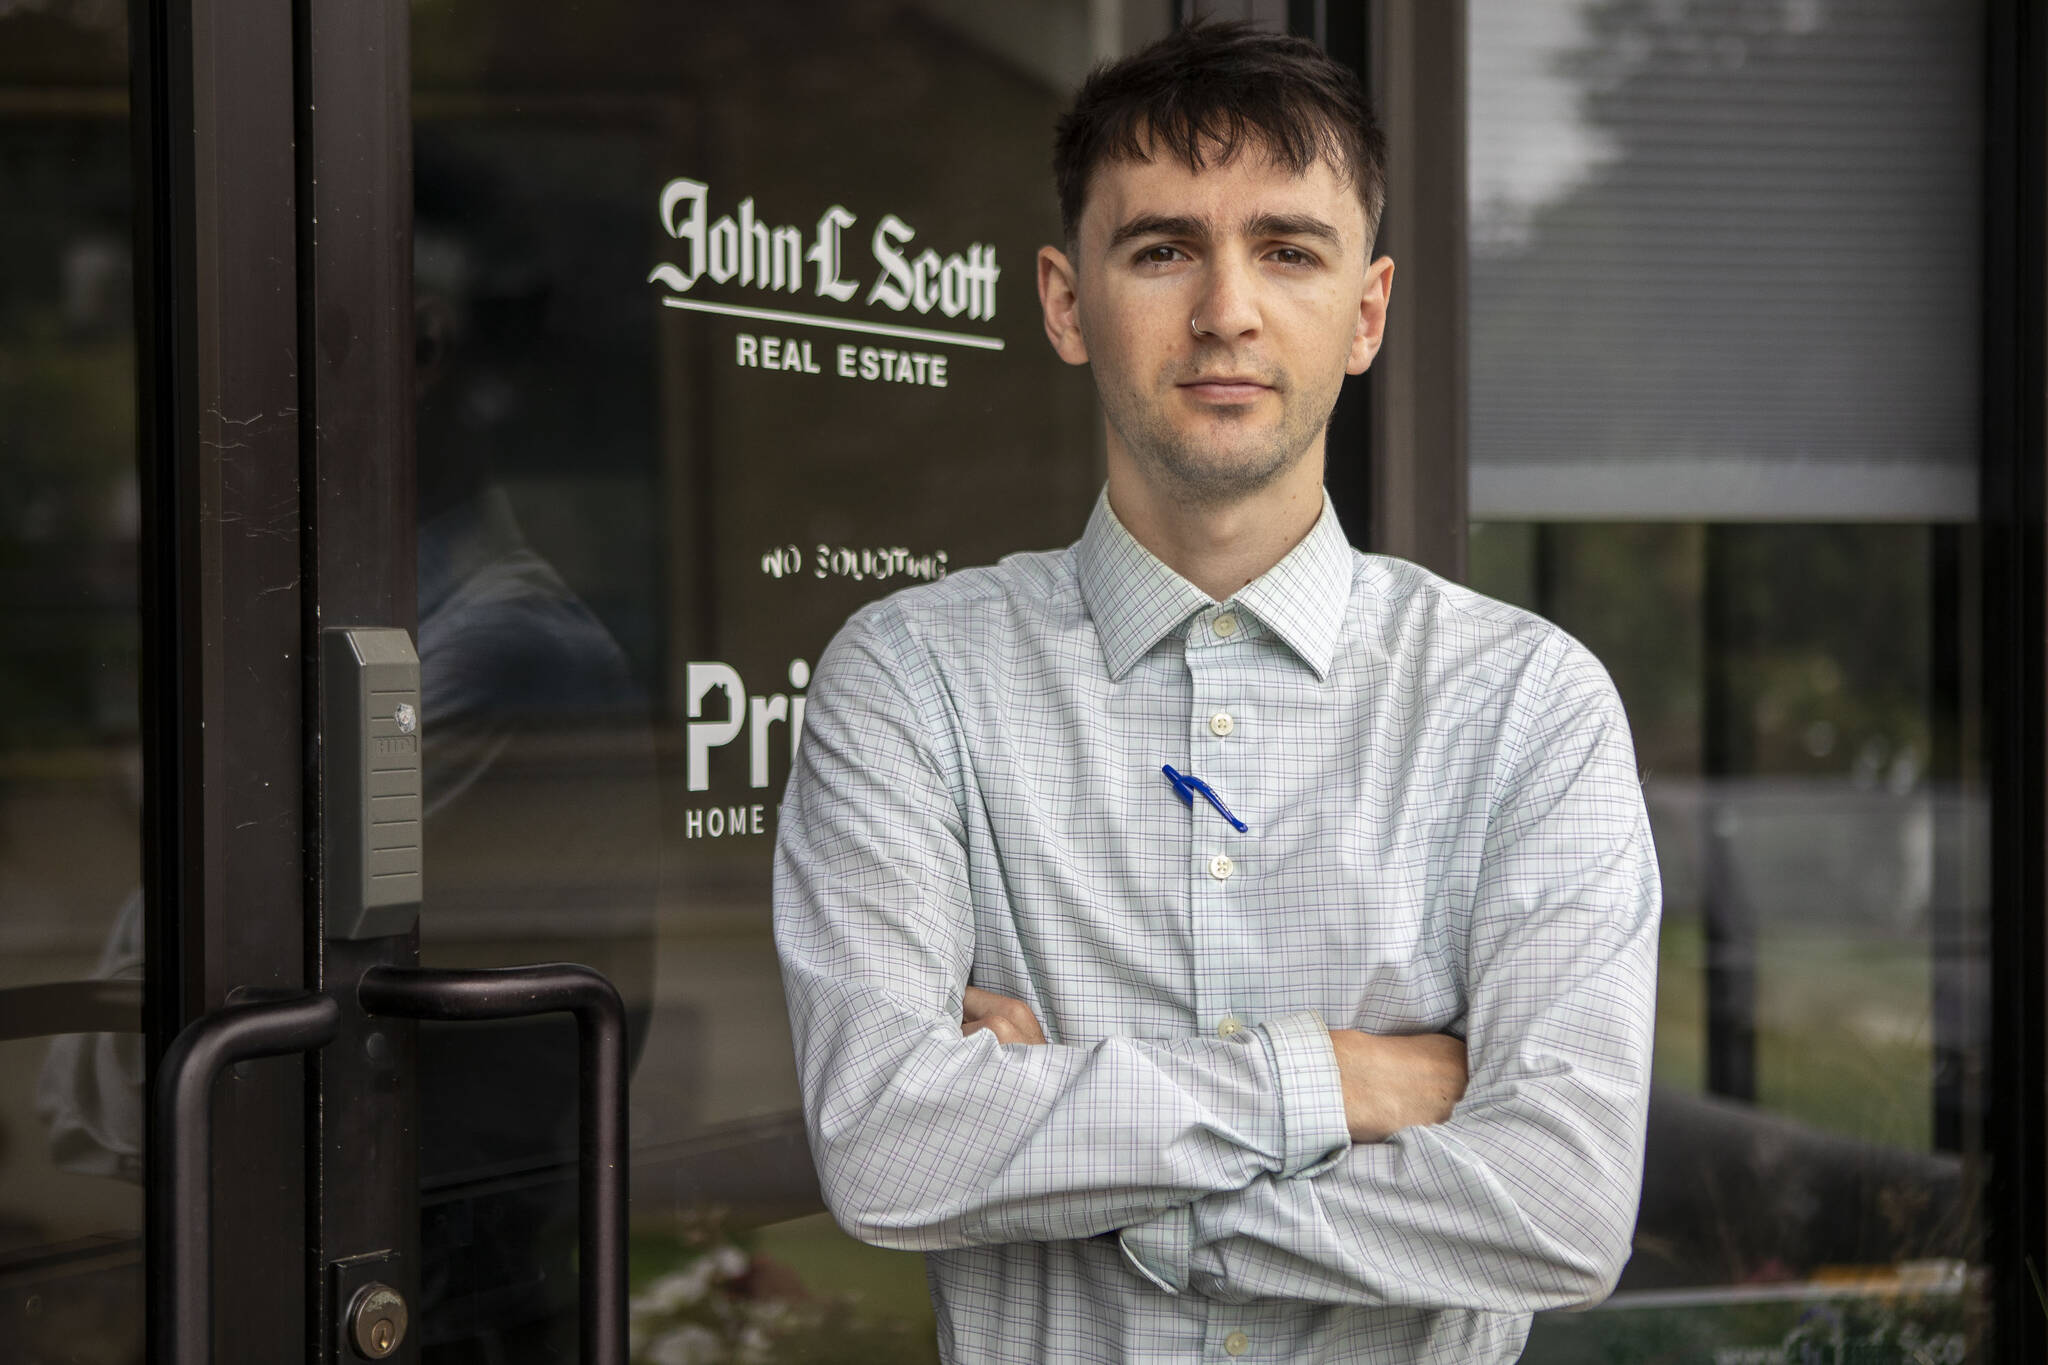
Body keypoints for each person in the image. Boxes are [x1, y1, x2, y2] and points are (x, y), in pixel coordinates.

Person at [772, 21, 1659, 1364]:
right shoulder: (911, 683)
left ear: (1366, 314)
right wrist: (1356, 1081)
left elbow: (1564, 1204)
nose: (1226, 310)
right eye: (1164, 247)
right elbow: (891, 1147)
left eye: (1289, 250)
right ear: (1068, 302)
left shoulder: (1525, 706)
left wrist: (1109, 1184)